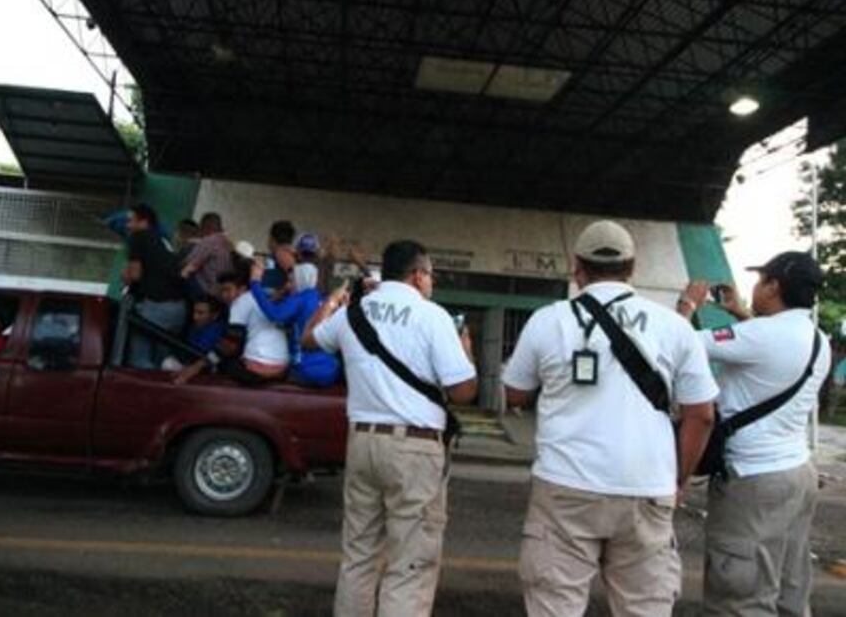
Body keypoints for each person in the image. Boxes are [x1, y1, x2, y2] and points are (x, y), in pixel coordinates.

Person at [502, 220, 719, 617]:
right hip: (648, 486)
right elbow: (701, 415)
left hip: (566, 487)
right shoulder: (674, 327)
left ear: (576, 267)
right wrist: (678, 479)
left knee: (554, 605)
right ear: (632, 267)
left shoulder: (547, 320)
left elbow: (515, 393)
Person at [302, 239, 477, 617]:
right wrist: (466, 350)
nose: (431, 283)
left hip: (362, 442)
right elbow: (463, 391)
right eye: (430, 275)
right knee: (409, 564)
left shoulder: (354, 314)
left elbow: (308, 340)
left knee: (359, 556)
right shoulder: (433, 317)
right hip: (414, 448)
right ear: (417, 275)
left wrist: (332, 303)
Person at [678, 251, 831, 617]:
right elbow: (767, 348)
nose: (754, 287)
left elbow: (679, 344)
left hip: (754, 482)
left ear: (774, 286)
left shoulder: (758, 335)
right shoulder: (816, 339)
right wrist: (739, 313)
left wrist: (687, 305)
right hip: (797, 475)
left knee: (740, 598)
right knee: (789, 590)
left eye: (760, 280)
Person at [174, 264, 290, 385]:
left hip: (259, 370)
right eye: (221, 291)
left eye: (228, 290)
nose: (224, 295)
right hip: (282, 369)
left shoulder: (240, 302)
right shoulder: (265, 298)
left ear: (242, 289)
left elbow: (230, 345)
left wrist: (194, 368)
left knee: (220, 364)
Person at [249, 257, 341, 387]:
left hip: (305, 368)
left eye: (292, 281)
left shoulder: (301, 299)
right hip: (332, 368)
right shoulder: (324, 299)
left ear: (300, 280)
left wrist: (255, 284)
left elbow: (274, 315)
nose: (289, 285)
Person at [122, 203, 187, 369]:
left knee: (139, 358)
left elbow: (135, 275)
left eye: (131, 221)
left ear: (144, 222)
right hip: (179, 309)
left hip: (156, 307)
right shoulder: (163, 239)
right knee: (162, 361)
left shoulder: (138, 237)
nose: (128, 225)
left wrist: (125, 275)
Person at [181, 212, 234, 298]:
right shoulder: (227, 242)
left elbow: (191, 263)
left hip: (207, 289)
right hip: (221, 290)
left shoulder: (209, 241)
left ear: (205, 227)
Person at [262, 220, 297, 293]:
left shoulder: (281, 254)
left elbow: (293, 279)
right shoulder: (283, 252)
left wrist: (278, 295)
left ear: (273, 239)